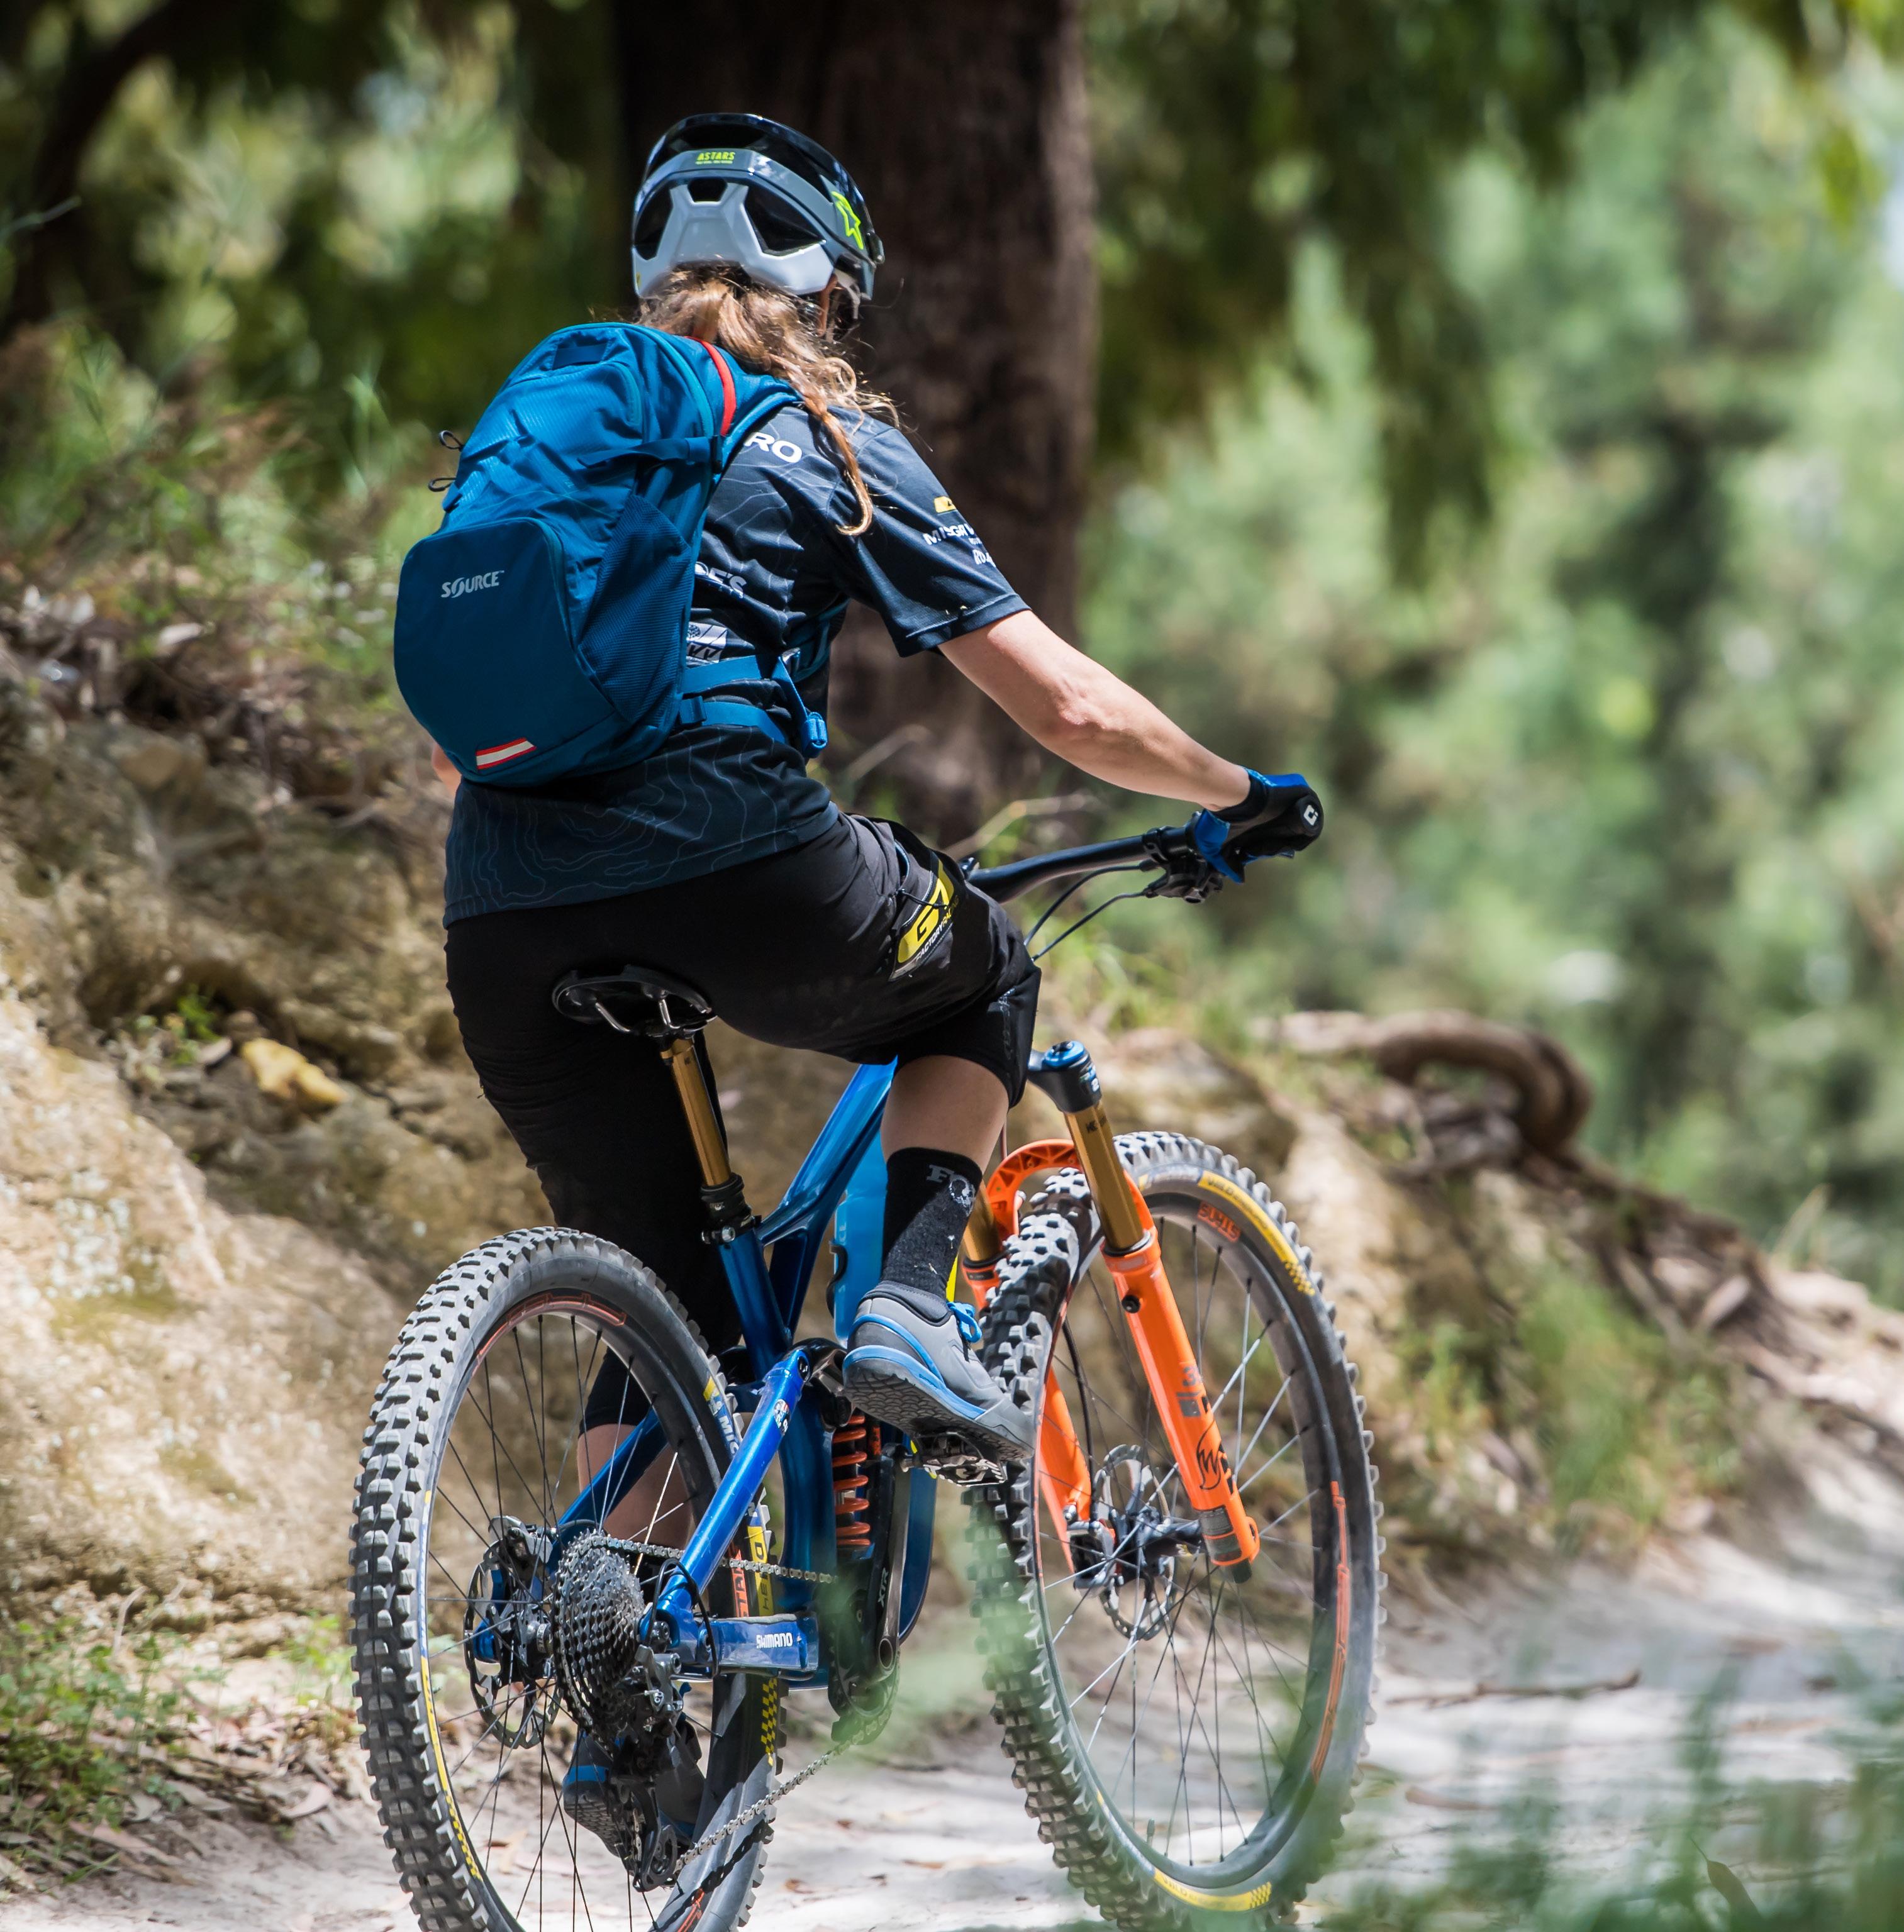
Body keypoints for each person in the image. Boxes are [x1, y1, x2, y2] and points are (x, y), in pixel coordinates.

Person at [435, 113, 1287, 1483]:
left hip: (500, 908)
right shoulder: (820, 437)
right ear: (827, 299)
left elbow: (461, 720)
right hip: (737, 861)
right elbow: (1068, 711)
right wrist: (1237, 792)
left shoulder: (550, 439)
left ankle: (607, 1607)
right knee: (982, 975)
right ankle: (907, 1308)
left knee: (672, 1317)